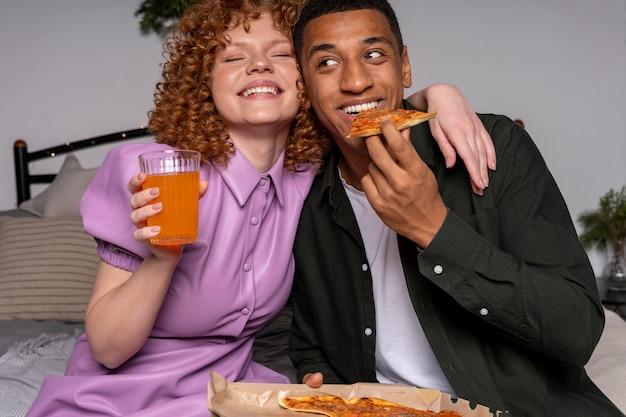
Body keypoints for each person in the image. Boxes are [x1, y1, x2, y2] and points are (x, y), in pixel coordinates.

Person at [26, 1, 492, 416]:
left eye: (281, 53)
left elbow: (363, 101)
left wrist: (440, 95)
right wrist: (161, 260)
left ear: (307, 78)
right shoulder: (156, 172)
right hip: (119, 399)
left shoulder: (310, 173)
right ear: (204, 84)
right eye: (233, 57)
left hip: (234, 397)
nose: (258, 66)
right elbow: (108, 350)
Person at [288, 2, 625, 417]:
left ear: (405, 66)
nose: (356, 80)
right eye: (326, 62)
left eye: (374, 54)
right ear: (304, 84)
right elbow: (309, 345)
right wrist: (320, 379)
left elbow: (579, 332)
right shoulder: (303, 196)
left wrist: (435, 229)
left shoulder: (495, 145)